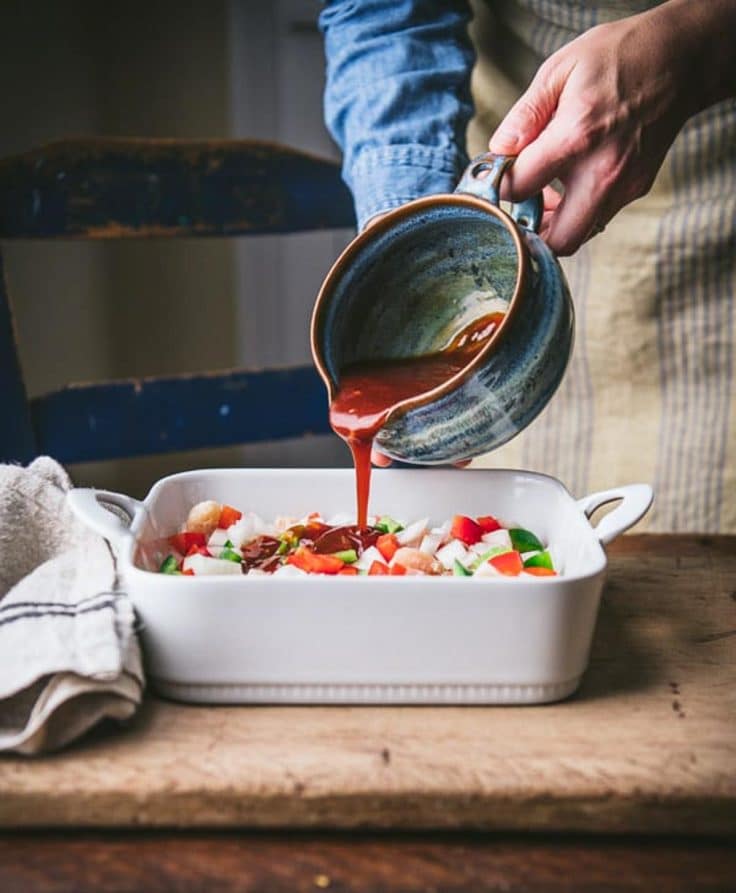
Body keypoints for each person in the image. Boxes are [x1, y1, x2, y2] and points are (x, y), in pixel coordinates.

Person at [319, 0, 736, 532]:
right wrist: (413, 225)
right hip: (521, 165)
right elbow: (382, 13)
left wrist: (690, 44)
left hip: (722, 220)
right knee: (502, 541)